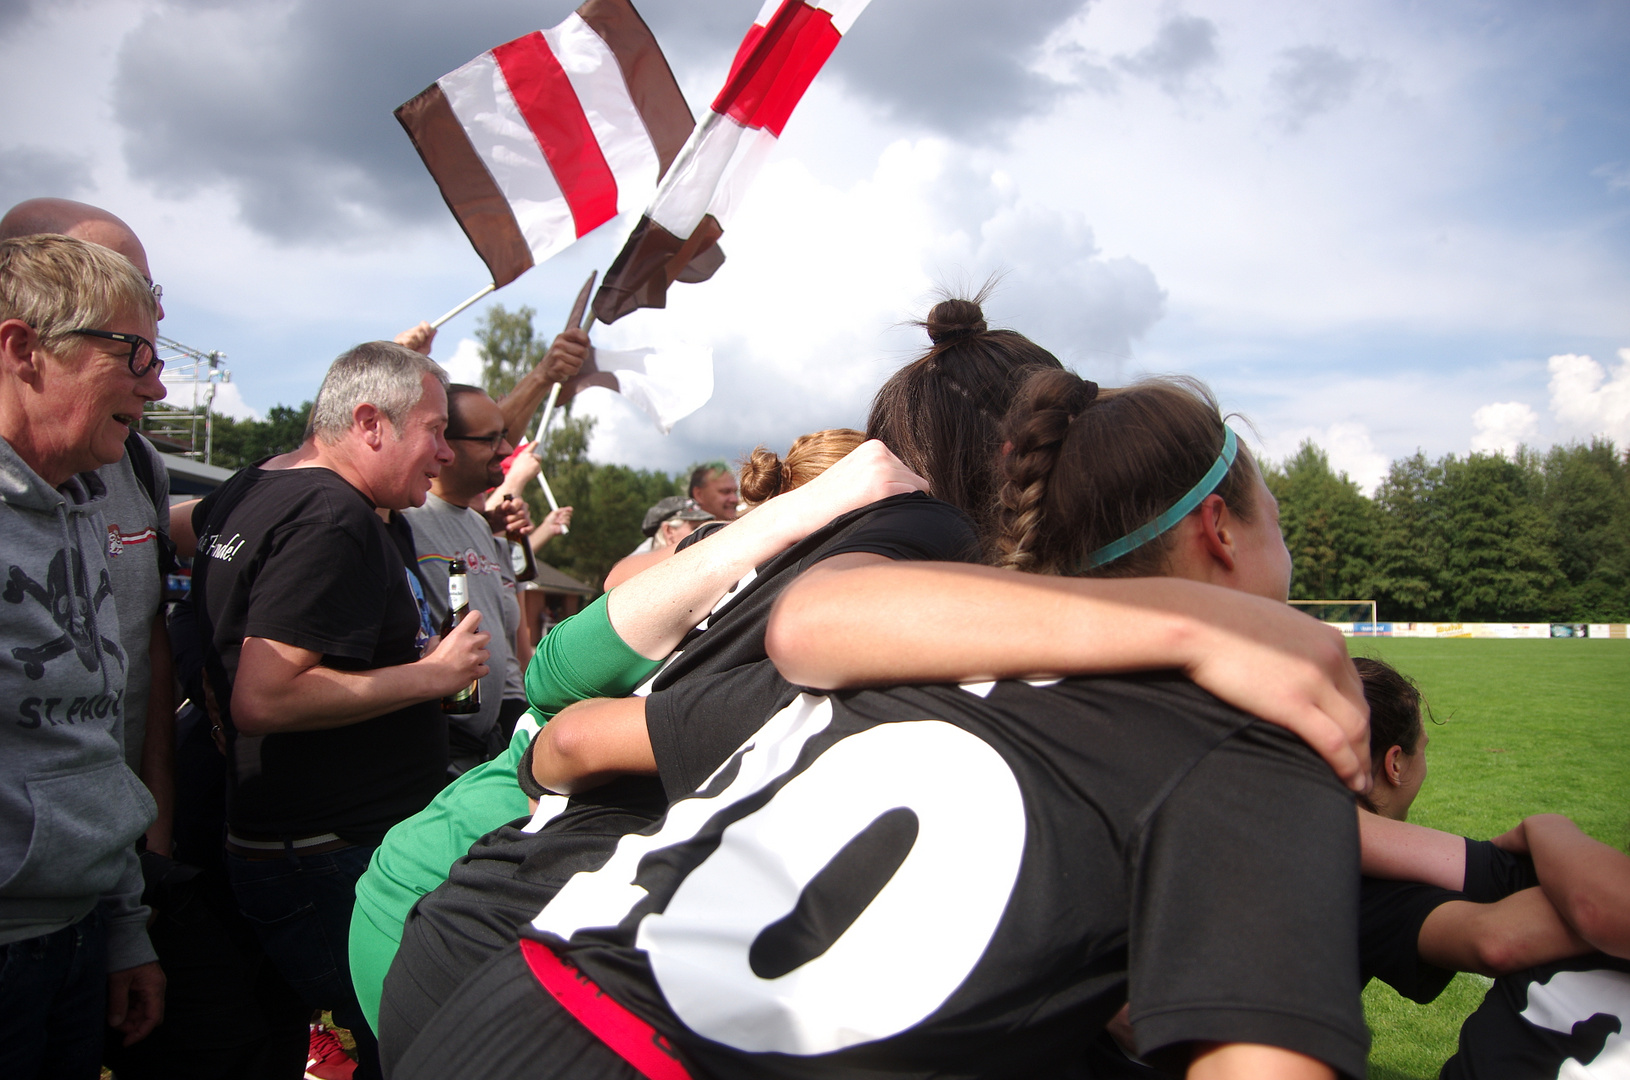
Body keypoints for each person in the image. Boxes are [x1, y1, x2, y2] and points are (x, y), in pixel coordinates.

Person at [393, 367, 1368, 1080]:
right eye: (1276, 516)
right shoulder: (1259, 741)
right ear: (1221, 529)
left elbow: (811, 620)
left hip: (513, 999)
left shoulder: (909, 635)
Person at [188, 340, 490, 1079]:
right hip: (328, 856)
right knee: (422, 1045)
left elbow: (178, 535)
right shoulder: (334, 515)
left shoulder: (260, 486)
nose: (446, 454)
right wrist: (432, 677)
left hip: (288, 842)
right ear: (369, 423)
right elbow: (263, 693)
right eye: (435, 429)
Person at [0, 234, 166, 1074]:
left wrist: (124, 925)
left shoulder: (82, 507)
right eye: (130, 350)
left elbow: (92, 739)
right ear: (23, 348)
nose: (157, 381)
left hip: (78, 935)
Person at [1349, 657, 1629, 1079]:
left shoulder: (1246, 808)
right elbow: (1504, 936)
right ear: (1395, 764)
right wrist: (1548, 827)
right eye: (1422, 750)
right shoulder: (1364, 878)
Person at [0, 198, 177, 859]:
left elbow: (148, 643)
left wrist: (151, 827)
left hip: (103, 871)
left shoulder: (123, 464)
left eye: (151, 292)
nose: (154, 311)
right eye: (129, 345)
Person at [401, 383, 532, 777]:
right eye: (490, 439)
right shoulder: (405, 518)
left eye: (504, 437)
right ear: (443, 442)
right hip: (430, 754)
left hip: (484, 748)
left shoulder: (480, 526)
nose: (507, 451)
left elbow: (507, 639)